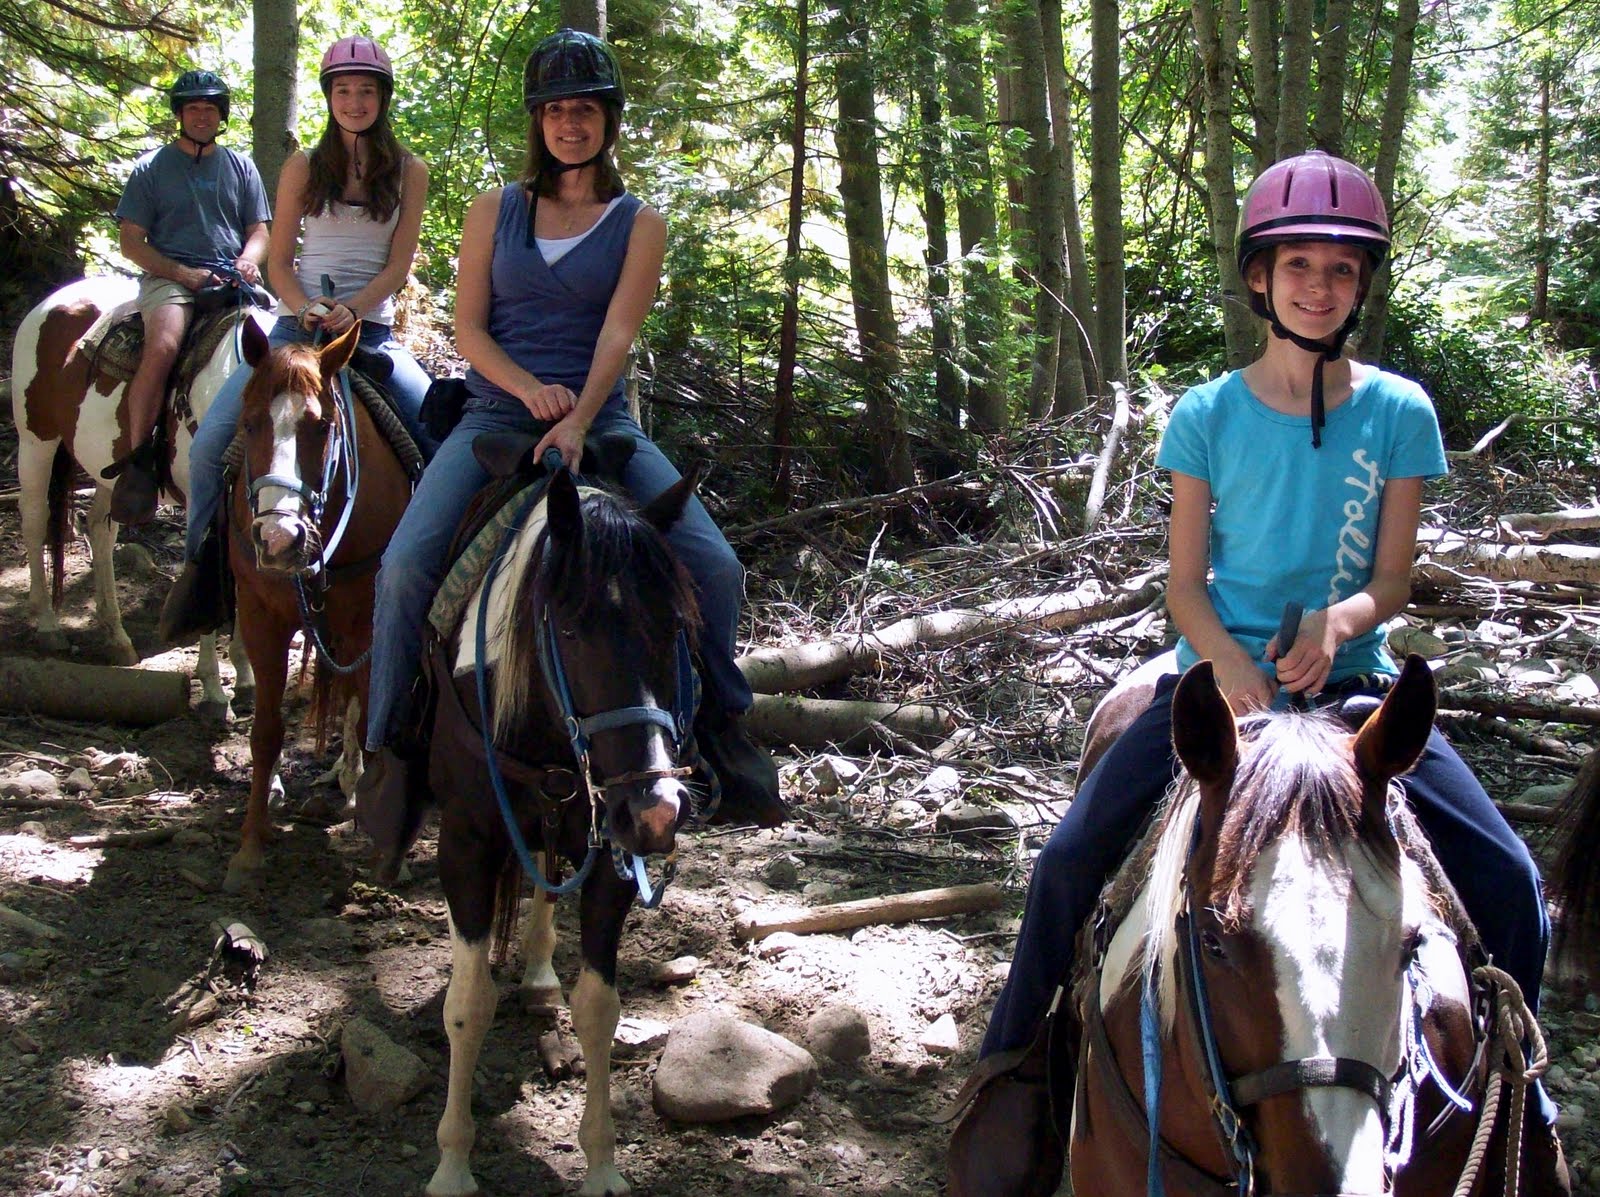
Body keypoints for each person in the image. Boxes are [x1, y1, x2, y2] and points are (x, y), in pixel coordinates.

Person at [950, 150, 1566, 1189]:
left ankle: (1519, 1089)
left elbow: (1394, 578)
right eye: (1297, 267)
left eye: (1339, 270)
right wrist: (1231, 667)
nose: (1318, 287)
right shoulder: (1207, 414)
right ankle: (1019, 1077)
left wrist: (1339, 622)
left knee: (1506, 877)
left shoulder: (1399, 412)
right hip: (1216, 683)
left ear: (1361, 286)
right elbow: (1183, 584)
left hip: (1350, 683)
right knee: (1065, 866)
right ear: (1257, 279)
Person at [354, 28, 785, 870]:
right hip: (494, 418)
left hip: (603, 423)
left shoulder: (639, 221)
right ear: (537, 124)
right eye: (555, 111)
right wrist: (526, 391)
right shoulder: (494, 210)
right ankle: (390, 753)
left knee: (718, 566)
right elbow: (469, 329)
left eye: (584, 110)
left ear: (608, 121)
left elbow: (619, 332)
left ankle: (721, 727)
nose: (569, 125)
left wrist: (581, 416)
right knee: (406, 565)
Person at [160, 36, 435, 644]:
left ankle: (429, 580)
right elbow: (280, 260)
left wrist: (354, 309)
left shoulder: (410, 171)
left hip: (372, 332)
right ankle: (204, 574)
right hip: (296, 326)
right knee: (209, 449)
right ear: (329, 98)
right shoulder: (303, 167)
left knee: (435, 436)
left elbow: (398, 265)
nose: (355, 101)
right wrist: (307, 304)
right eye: (343, 90)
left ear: (382, 98)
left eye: (366, 90)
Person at [107, 69, 271, 526]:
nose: (202, 116)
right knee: (161, 347)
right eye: (193, 109)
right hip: (171, 278)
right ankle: (139, 463)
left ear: (221, 116)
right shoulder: (151, 169)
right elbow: (132, 242)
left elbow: (259, 231)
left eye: (210, 109)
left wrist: (248, 259)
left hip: (230, 278)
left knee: (282, 347)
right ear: (180, 115)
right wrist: (181, 273)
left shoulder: (241, 167)